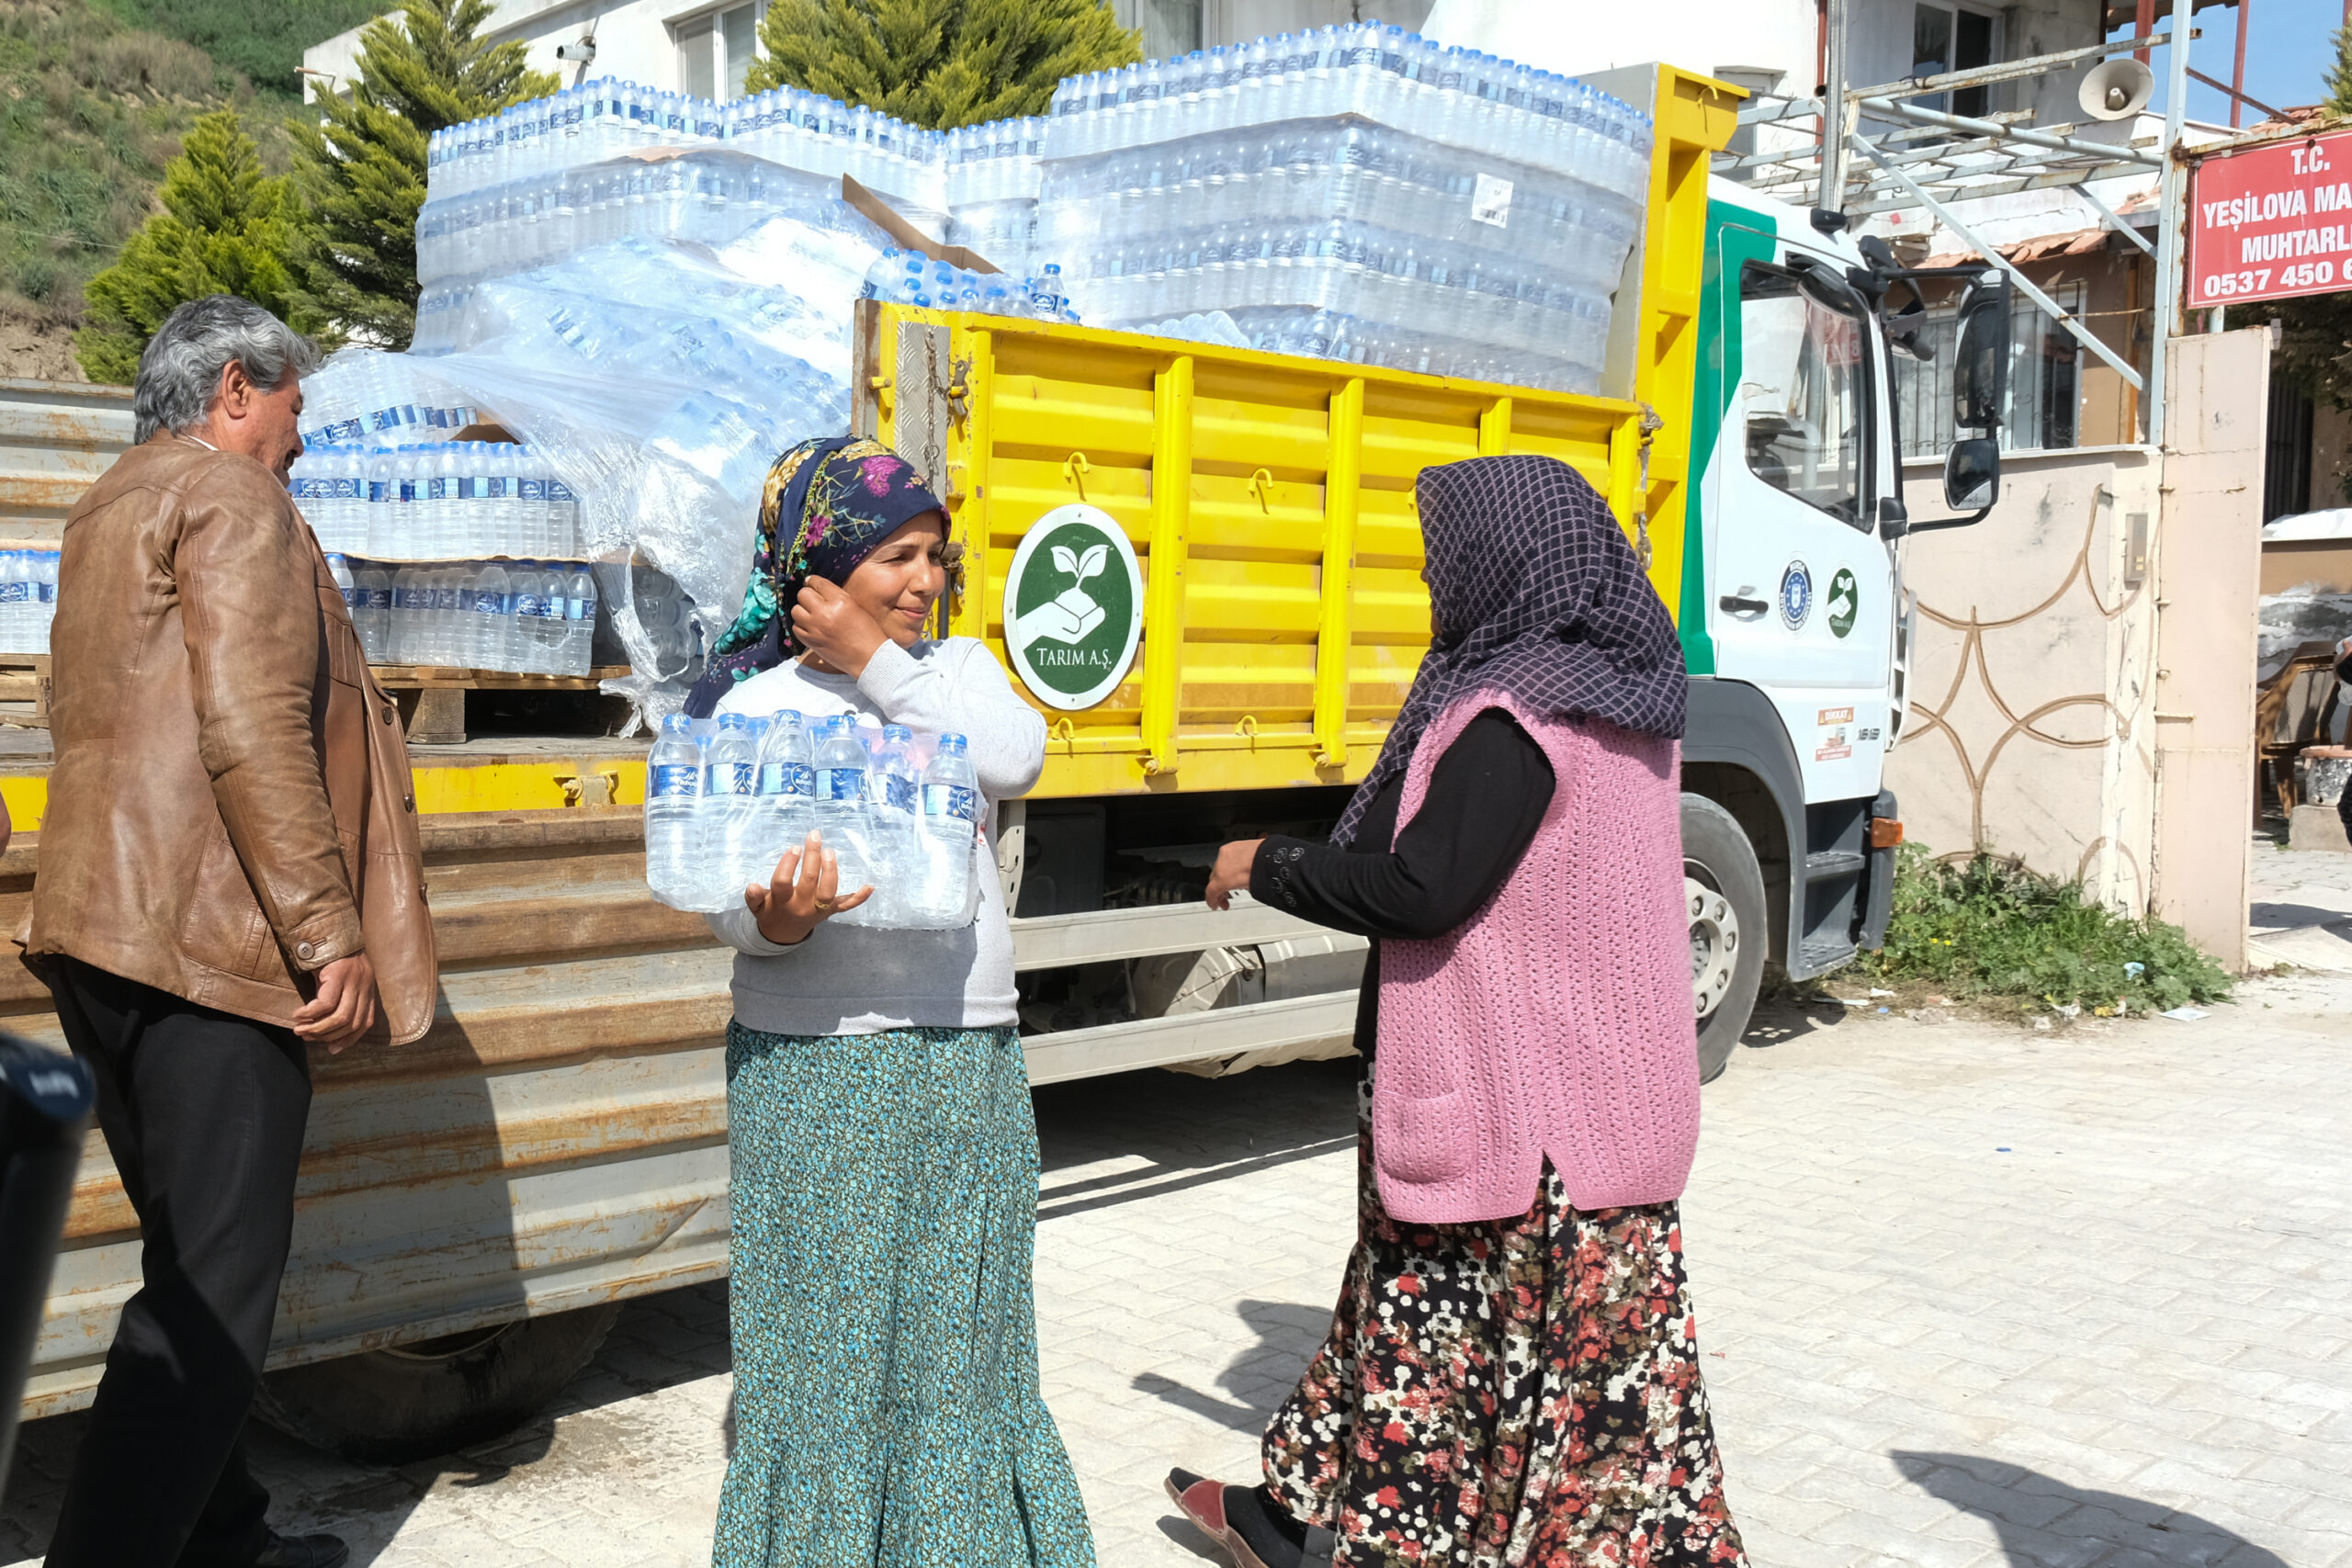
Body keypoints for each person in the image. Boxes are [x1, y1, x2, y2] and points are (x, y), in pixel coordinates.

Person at [1165, 454, 1747, 1568]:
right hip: (1594, 1110)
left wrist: (1265, 861)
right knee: (1431, 1334)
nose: (1441, 587)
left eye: (1448, 562)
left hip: (1521, 1123)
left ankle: (1351, 1536)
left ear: (1501, 563)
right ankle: (1285, 1515)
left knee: (1504, 1382)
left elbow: (1424, 888)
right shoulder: (1624, 698)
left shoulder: (1510, 714)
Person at [21, 296, 436, 1568]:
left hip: (99, 930)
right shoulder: (235, 498)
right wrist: (328, 932)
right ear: (238, 388)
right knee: (215, 1309)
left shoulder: (107, 505)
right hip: (212, 947)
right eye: (297, 408)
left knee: (189, 1270)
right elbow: (253, 722)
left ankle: (227, 1541)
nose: (300, 441)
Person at [685, 436, 1093, 1568]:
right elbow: (719, 890)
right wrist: (776, 921)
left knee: (959, 1345)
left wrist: (878, 662)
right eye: (895, 559)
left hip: (962, 1059)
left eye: (935, 557)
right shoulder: (747, 704)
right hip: (810, 1068)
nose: (923, 581)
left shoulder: (951, 676)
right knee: (822, 1348)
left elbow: (1014, 760)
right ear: (815, 568)